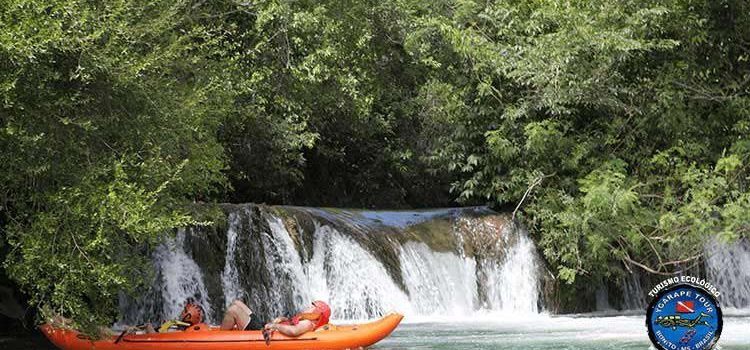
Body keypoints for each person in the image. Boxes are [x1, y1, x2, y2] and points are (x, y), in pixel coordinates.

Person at [220, 299, 331, 337]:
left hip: (261, 332)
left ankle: (219, 339)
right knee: (237, 303)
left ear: (318, 312)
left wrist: (274, 325)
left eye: (313, 306)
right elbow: (291, 323)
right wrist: (282, 320)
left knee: (233, 310)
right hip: (265, 325)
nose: (309, 306)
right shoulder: (305, 319)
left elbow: (294, 331)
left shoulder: (308, 323)